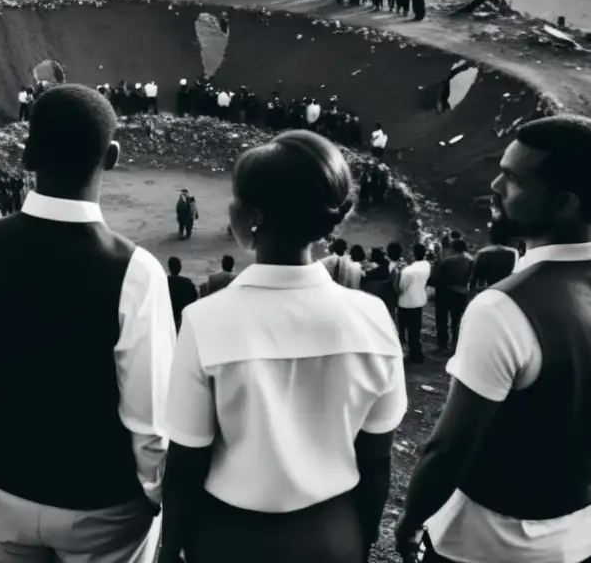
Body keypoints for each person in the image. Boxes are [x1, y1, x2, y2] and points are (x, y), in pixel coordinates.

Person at [0, 84, 174, 563]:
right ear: (111, 156)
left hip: (3, 487)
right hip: (102, 504)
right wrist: (153, 488)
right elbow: (148, 415)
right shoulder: (137, 270)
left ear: (27, 156)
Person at [397, 115, 591, 563]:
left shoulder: (503, 309)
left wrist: (412, 519)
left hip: (497, 540)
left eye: (512, 178)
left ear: (564, 204)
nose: (494, 184)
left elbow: (449, 449)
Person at [160, 129, 406, 563]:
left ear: (253, 215)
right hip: (334, 534)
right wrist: (361, 539)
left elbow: (185, 466)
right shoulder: (373, 319)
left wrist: (170, 548)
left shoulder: (206, 321)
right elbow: (376, 461)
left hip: (230, 540)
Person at [430, 238, 474, 352]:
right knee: (457, 321)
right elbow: (472, 277)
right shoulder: (470, 260)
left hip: (445, 292)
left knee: (442, 320)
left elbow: (436, 278)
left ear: (452, 248)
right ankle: (456, 344)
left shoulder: (446, 261)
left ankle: (442, 345)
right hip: (462, 293)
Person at [396, 243, 431, 363]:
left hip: (406, 302)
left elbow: (401, 288)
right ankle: (416, 352)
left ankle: (410, 353)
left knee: (404, 329)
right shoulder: (426, 265)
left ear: (413, 253)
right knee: (415, 329)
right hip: (419, 300)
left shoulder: (408, 271)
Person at [468, 227, 519, 293]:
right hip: (505, 289)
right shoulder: (513, 252)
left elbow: (474, 276)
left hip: (486, 289)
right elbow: (513, 273)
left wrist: (472, 292)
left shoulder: (483, 252)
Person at [168, 256, 198, 331]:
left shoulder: (164, 282)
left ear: (169, 268)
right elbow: (194, 297)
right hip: (183, 317)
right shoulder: (187, 282)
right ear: (180, 268)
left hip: (169, 317)